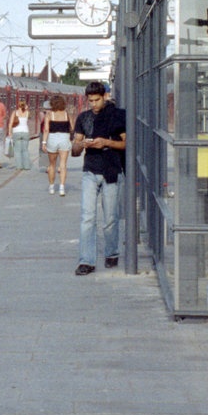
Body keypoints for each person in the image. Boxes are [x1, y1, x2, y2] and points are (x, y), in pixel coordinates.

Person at [72, 81, 125, 275]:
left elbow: (126, 144)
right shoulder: (83, 118)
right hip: (90, 172)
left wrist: (106, 142)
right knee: (87, 217)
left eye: (97, 100)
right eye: (90, 101)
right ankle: (86, 261)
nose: (94, 104)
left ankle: (111, 253)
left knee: (110, 218)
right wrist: (81, 145)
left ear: (105, 97)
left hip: (112, 170)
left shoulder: (117, 116)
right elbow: (75, 150)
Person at [41, 94, 72, 196]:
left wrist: (44, 142)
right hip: (64, 138)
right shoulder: (67, 114)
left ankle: (51, 187)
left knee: (52, 165)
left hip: (52, 139)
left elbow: (46, 130)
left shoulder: (49, 115)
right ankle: (62, 188)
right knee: (63, 165)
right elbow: (72, 128)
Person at [7, 99, 33, 171]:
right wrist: (26, 108)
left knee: (17, 150)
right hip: (25, 132)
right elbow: (29, 116)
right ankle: (27, 166)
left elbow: (10, 123)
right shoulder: (27, 113)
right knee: (25, 150)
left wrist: (9, 132)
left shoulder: (15, 113)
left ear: (18, 105)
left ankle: (19, 166)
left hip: (16, 132)